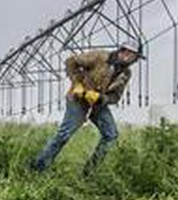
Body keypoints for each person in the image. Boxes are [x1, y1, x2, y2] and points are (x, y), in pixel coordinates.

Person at [31, 42, 144, 175]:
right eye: (126, 52)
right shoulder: (100, 56)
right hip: (78, 99)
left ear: (135, 59)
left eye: (132, 55)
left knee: (111, 135)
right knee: (64, 134)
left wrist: (101, 98)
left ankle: (89, 172)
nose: (127, 57)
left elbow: (115, 97)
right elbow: (71, 62)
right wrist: (77, 84)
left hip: (96, 104)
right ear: (121, 51)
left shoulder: (126, 73)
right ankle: (38, 167)